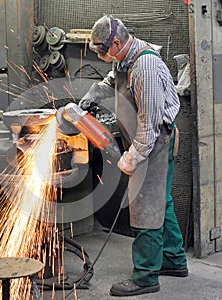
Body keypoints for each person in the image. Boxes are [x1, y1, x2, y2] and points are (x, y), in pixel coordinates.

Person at [79, 15, 188, 297]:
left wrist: (131, 158)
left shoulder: (145, 68)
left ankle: (145, 276)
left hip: (154, 143)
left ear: (116, 42)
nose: (102, 56)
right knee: (161, 202)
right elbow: (112, 78)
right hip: (148, 140)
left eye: (102, 50)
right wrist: (93, 95)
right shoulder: (124, 58)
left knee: (145, 208)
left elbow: (149, 125)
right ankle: (173, 260)